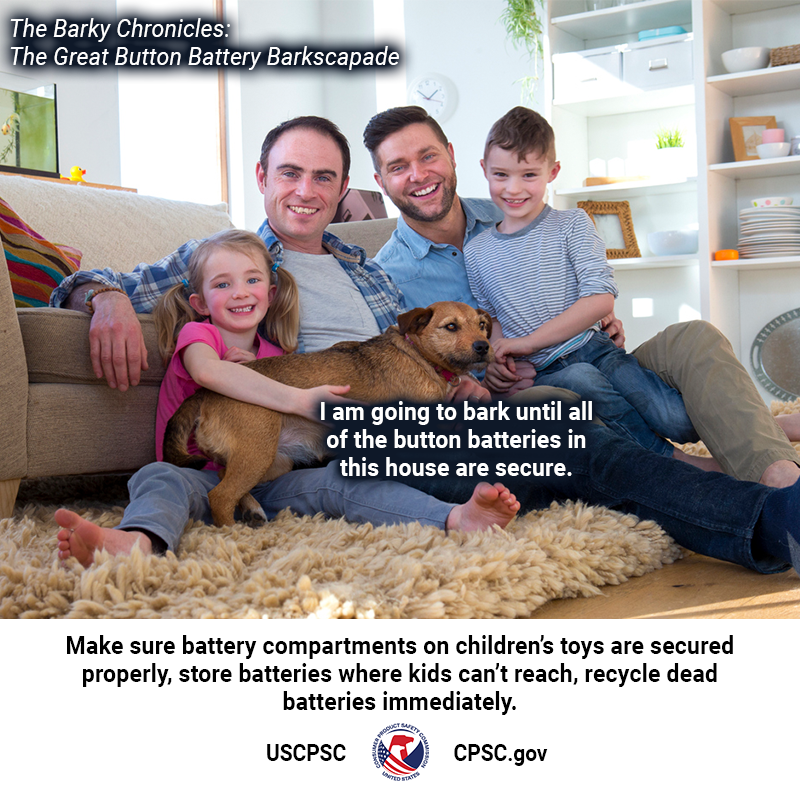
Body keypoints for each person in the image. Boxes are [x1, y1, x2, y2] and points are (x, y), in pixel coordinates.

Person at [50, 114, 800, 578]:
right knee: (575, 446)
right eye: (289, 174)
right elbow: (89, 278)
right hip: (338, 435)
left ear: (346, 186)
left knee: (571, 433)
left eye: (323, 176)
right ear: (263, 179)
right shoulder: (233, 261)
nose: (306, 190)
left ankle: (744, 495)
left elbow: (430, 353)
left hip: (415, 424)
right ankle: (770, 519)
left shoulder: (370, 272)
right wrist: (105, 297)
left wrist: (474, 377)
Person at [362, 105, 800, 489]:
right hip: (526, 390)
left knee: (694, 337)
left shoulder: (512, 205)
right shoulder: (385, 276)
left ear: (453, 156)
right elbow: (403, 373)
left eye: (427, 156)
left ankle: (774, 466)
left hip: (592, 349)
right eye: (399, 167)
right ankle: (707, 460)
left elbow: (585, 287)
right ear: (381, 181)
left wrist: (600, 316)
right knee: (566, 397)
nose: (418, 174)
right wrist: (482, 374)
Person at [55, 228, 520, 565]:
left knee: (347, 485)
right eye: (223, 285)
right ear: (199, 301)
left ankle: (454, 518)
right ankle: (135, 540)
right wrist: (107, 296)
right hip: (200, 471)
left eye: (252, 281)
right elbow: (209, 374)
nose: (241, 292)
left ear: (272, 293)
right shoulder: (199, 335)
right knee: (159, 478)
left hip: (279, 477)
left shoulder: (278, 351)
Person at [462, 106, 715, 466]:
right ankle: (679, 462)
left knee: (676, 419)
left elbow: (599, 300)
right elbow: (493, 318)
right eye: (500, 174)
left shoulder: (573, 224)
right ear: (484, 169)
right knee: (580, 380)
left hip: (596, 349)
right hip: (544, 373)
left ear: (553, 172)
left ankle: (762, 428)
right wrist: (501, 357)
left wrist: (526, 342)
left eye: (529, 175)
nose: (513, 188)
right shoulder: (476, 251)